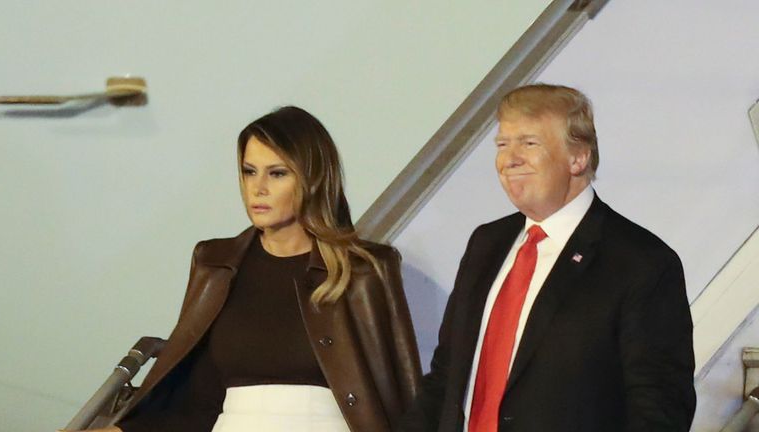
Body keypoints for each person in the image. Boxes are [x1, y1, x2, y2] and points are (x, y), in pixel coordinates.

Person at [81, 106, 421, 432]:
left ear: (312, 180)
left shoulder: (363, 271)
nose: (257, 188)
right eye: (249, 171)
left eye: (277, 173)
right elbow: (198, 404)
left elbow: (401, 397)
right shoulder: (216, 263)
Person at [399, 84, 696, 431]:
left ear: (578, 157)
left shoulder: (641, 262)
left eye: (529, 143)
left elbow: (659, 407)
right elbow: (446, 376)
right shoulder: (486, 243)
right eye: (502, 144)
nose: (509, 159)